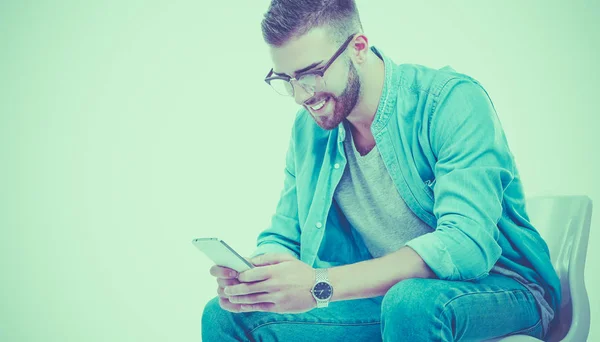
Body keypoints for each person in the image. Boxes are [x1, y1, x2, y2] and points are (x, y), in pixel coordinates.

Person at [201, 0, 561, 341]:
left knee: (412, 303)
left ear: (358, 47)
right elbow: (286, 235)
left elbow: (465, 244)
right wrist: (257, 277)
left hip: (500, 289)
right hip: (385, 299)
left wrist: (319, 284)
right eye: (286, 79)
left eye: (310, 74)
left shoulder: (450, 101)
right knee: (226, 315)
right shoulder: (308, 130)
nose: (300, 95)